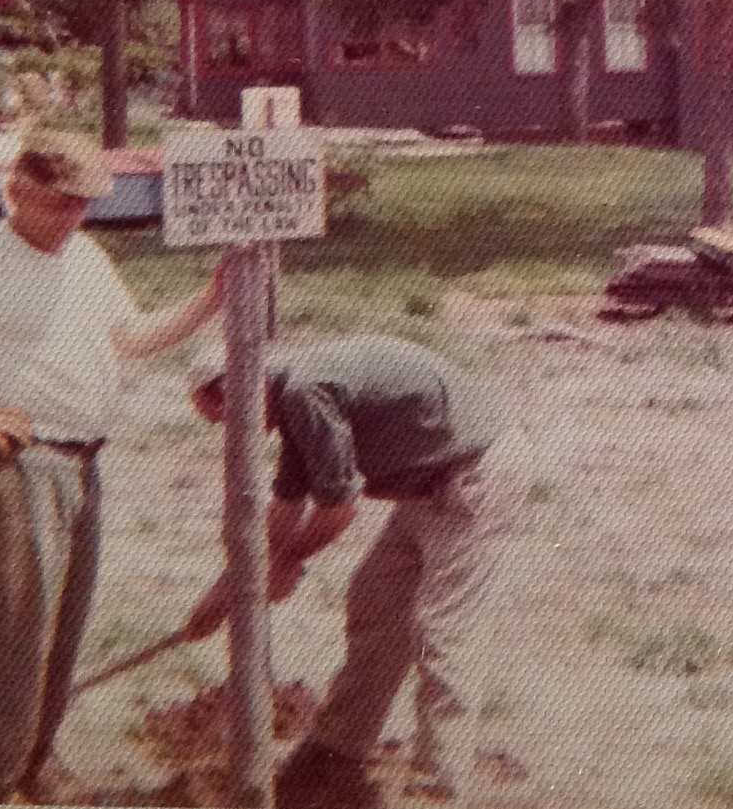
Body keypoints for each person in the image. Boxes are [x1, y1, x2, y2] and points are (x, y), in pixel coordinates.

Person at [0, 128, 226, 804]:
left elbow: (129, 338)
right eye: (63, 201)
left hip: (84, 462)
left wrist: (211, 297)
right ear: (19, 189)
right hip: (18, 466)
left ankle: (36, 762)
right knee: (16, 636)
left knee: (63, 628)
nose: (77, 216)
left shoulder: (88, 257)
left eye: (85, 203)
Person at [184, 335, 510, 809]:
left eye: (227, 416)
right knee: (375, 601)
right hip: (425, 486)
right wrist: (226, 593)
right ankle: (337, 750)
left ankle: (435, 790)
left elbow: (338, 510)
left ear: (237, 388)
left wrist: (288, 561)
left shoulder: (303, 393)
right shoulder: (288, 397)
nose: (231, 432)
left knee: (444, 634)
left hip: (475, 475)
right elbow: (286, 508)